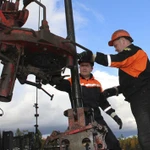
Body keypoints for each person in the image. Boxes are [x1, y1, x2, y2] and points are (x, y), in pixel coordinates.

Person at [78, 29, 150, 150]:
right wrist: (112, 91)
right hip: (141, 96)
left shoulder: (134, 52)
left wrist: (93, 56)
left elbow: (116, 60)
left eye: (115, 45)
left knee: (145, 137)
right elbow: (132, 83)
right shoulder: (131, 62)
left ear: (122, 41)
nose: (115, 49)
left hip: (142, 97)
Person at [51, 55, 123, 150]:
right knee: (69, 145)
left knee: (113, 143)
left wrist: (115, 117)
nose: (84, 68)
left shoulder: (97, 83)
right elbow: (58, 84)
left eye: (87, 66)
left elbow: (103, 104)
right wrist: (53, 75)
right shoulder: (72, 82)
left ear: (91, 68)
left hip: (97, 118)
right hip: (78, 119)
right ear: (79, 68)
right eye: (82, 66)